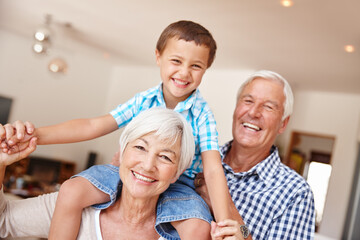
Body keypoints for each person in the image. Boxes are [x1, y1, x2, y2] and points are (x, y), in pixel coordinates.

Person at [0, 20, 231, 239]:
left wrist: (223, 224)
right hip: (127, 174)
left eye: (196, 66)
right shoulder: (144, 100)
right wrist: (33, 137)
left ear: (206, 69)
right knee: (71, 190)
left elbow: (212, 170)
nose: (184, 73)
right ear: (158, 56)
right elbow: (93, 126)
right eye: (176, 61)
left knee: (198, 229)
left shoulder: (202, 114)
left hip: (180, 185)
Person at [0, 108, 197, 240]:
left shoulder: (184, 231)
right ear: (121, 153)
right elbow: (3, 222)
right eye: (140, 147)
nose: (147, 165)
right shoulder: (75, 204)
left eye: (165, 157)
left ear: (176, 174)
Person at [195, 70, 315, 239]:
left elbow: (243, 231)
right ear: (236, 108)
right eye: (248, 101)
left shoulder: (295, 192)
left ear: (283, 123)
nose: (253, 112)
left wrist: (225, 203)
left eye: (268, 107)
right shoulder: (197, 158)